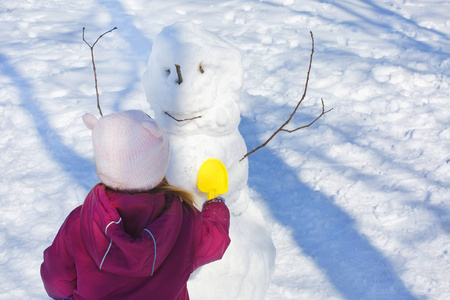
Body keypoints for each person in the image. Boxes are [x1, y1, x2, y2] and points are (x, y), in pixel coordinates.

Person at [41, 110, 231, 300]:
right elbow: (215, 241)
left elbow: (56, 280)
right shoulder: (184, 221)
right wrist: (216, 206)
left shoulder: (80, 224)